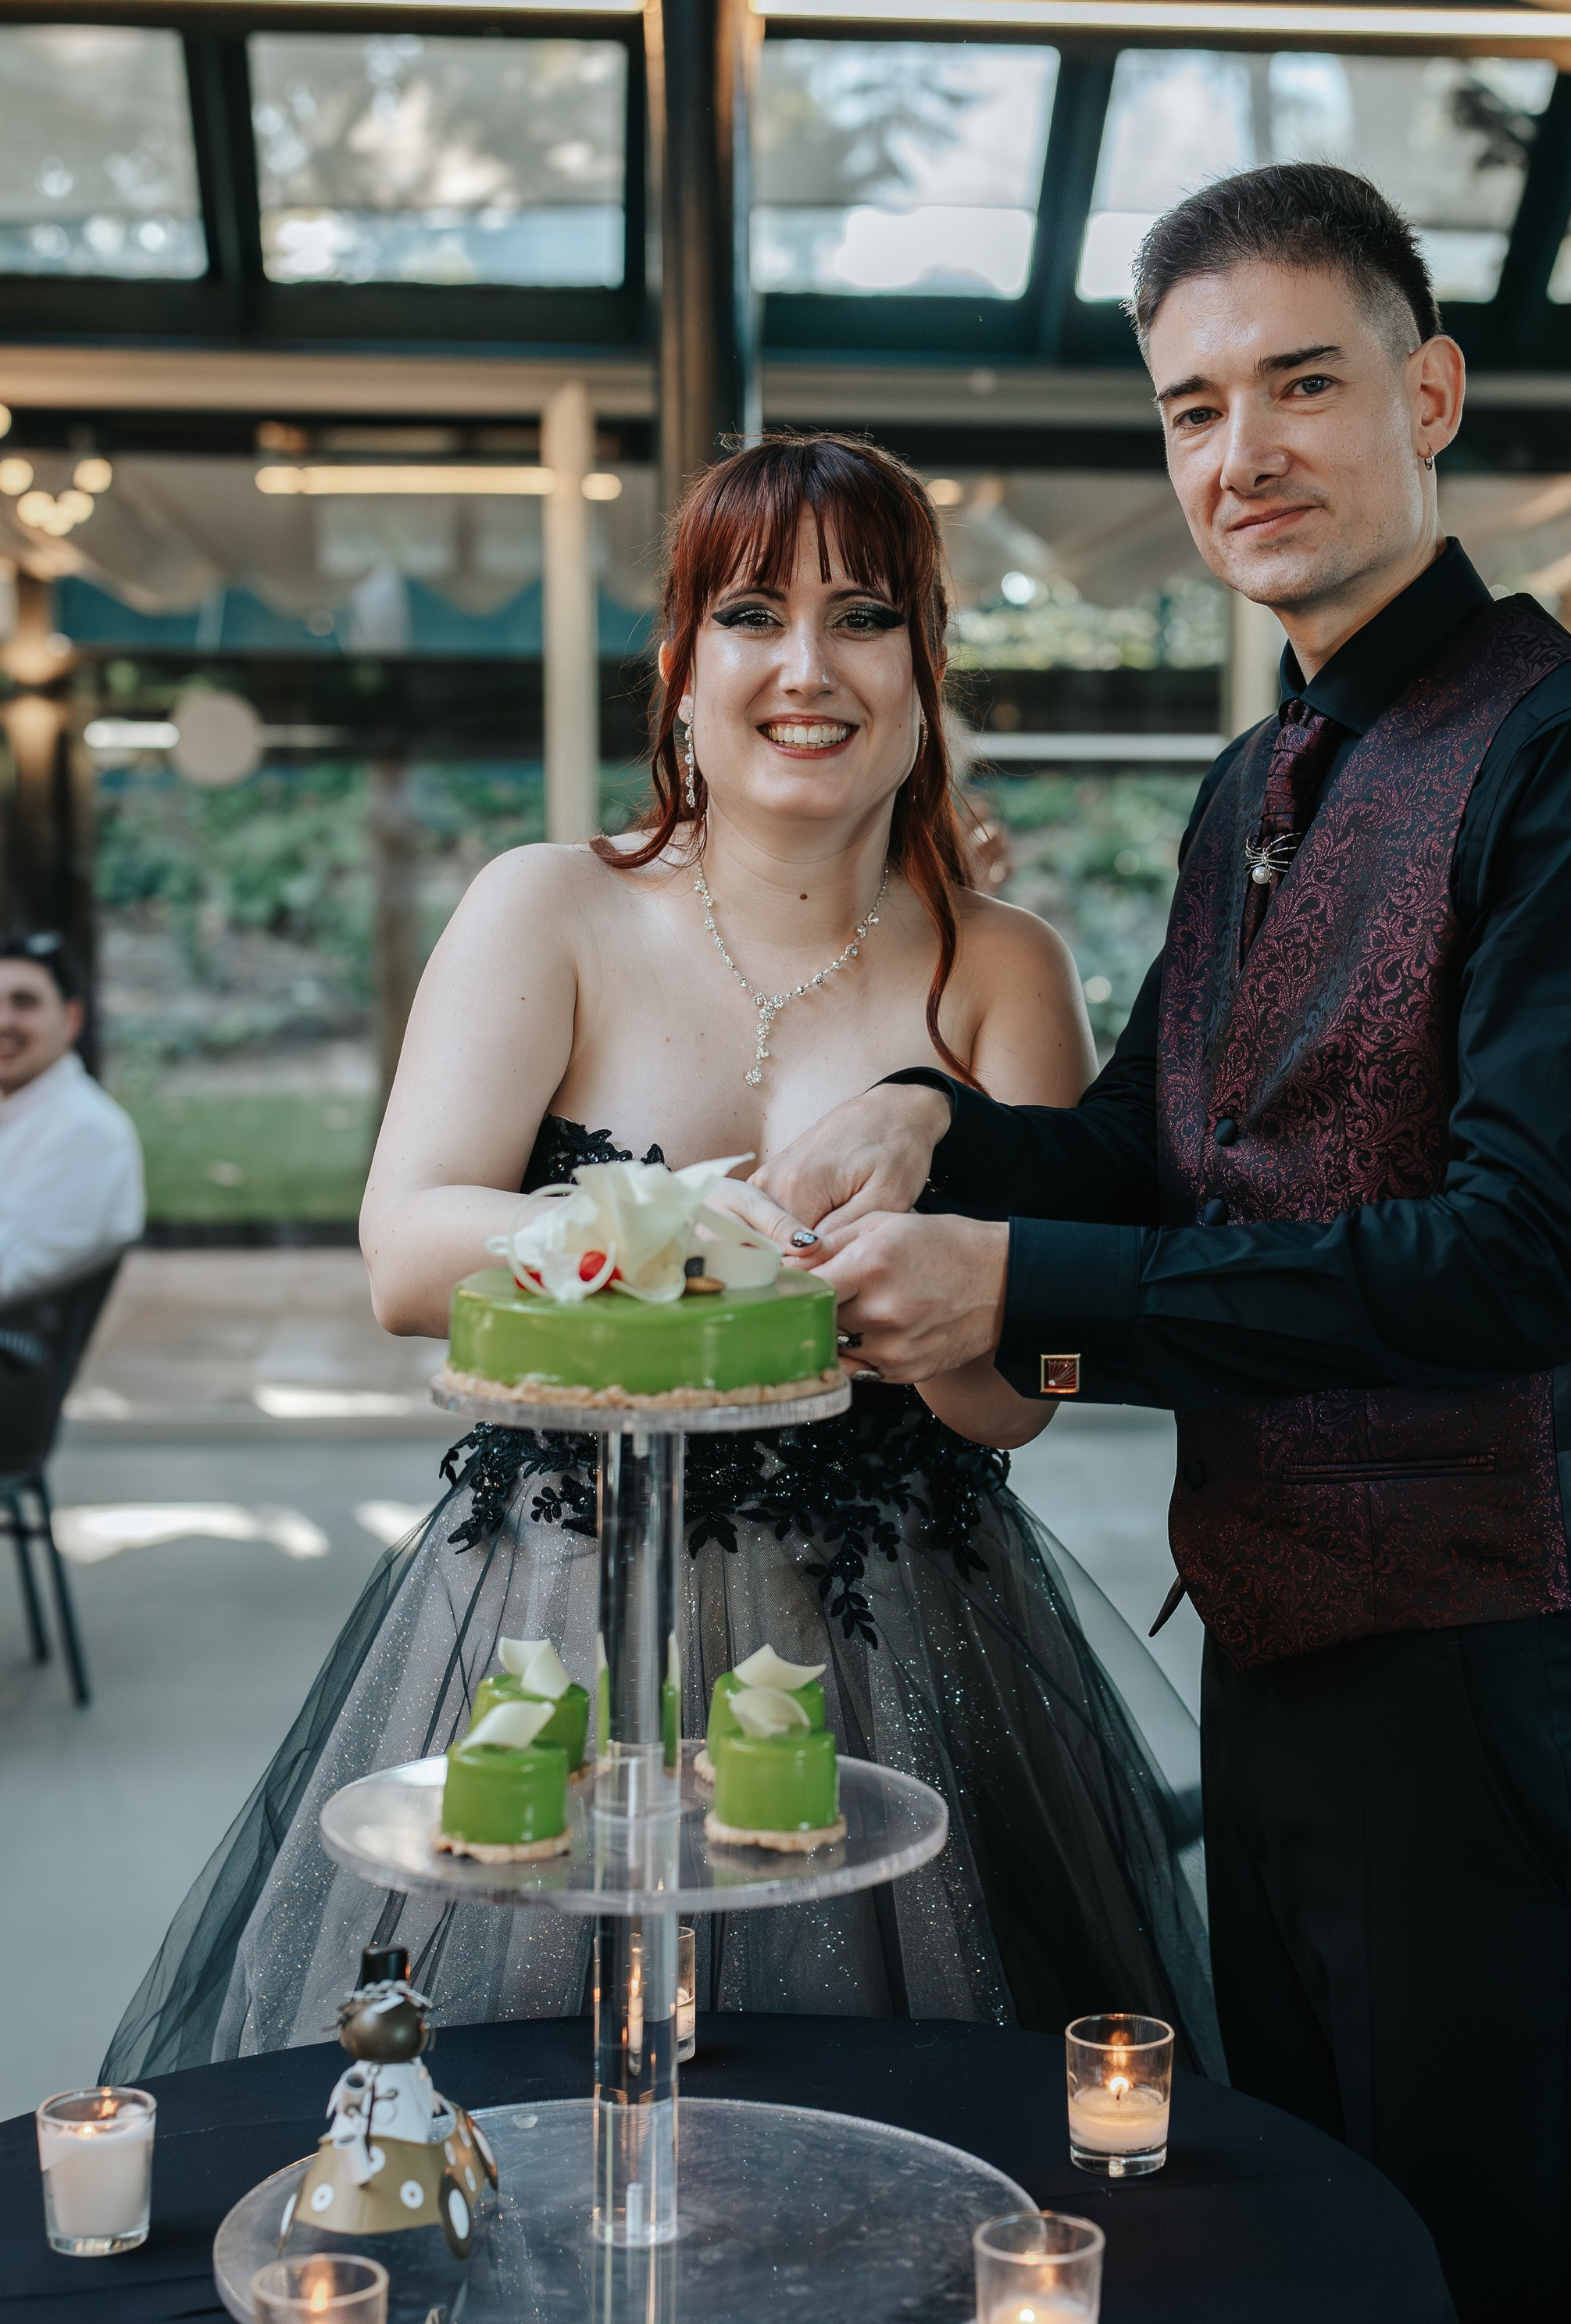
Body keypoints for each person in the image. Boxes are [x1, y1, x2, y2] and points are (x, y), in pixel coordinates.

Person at [752, 166, 1571, 2324]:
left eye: (1300, 380)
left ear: (1429, 393)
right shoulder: (1256, 778)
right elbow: (1152, 1178)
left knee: (1498, 2317)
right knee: (1326, 2270)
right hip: (1294, 1649)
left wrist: (1033, 1293)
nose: (1243, 449)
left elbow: (1517, 1267)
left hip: (1495, 1664)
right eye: (1195, 403)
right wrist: (930, 1132)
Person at [105, 432, 1215, 2090]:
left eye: (861, 618)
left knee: (901, 2114)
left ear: (921, 668)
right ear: (678, 664)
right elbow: (409, 1254)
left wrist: (934, 1308)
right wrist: (689, 1235)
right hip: (550, 1604)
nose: (804, 667)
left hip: (903, 1630)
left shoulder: (1000, 969)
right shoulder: (546, 910)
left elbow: (1007, 1412)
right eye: (752, 612)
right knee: (521, 2101)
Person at [0, 928, 145, 1297]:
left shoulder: (84, 1132)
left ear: (71, 1019)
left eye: (24, 1002)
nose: (3, 1022)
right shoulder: (20, 1113)